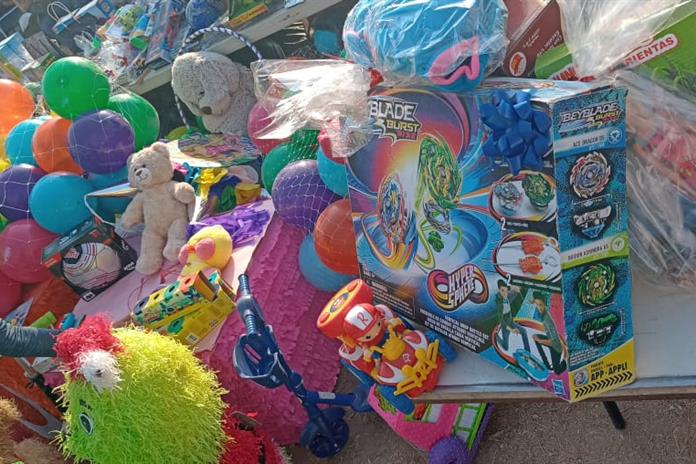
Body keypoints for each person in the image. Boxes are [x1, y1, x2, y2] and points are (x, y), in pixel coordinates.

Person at [531, 291, 567, 374]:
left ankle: (565, 360)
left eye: (540, 305)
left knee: (557, 371)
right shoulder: (544, 311)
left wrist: (540, 341)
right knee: (536, 337)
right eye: (537, 304)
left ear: (544, 304)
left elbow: (553, 342)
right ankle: (547, 365)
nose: (539, 307)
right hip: (551, 339)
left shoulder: (547, 320)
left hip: (556, 347)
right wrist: (534, 301)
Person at [494, 280, 529, 352]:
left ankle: (527, 351)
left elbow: (512, 289)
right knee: (506, 347)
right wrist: (511, 330)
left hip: (511, 321)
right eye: (502, 291)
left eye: (506, 291)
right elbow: (501, 321)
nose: (505, 293)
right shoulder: (500, 304)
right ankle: (496, 336)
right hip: (505, 326)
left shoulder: (507, 295)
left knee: (524, 331)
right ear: (499, 290)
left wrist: (512, 288)